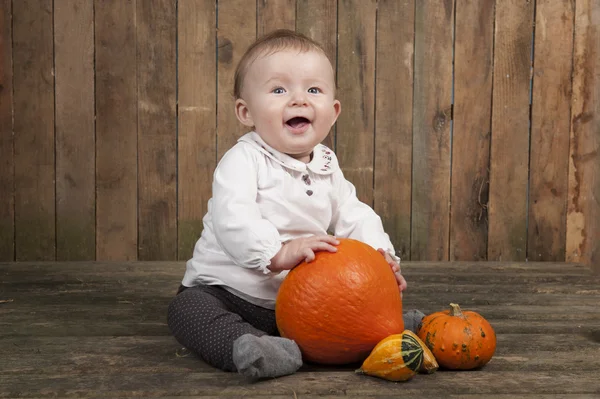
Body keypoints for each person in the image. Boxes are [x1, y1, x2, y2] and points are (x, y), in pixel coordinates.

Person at [167, 29, 424, 380]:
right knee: (187, 309)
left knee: (341, 309)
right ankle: (249, 345)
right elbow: (233, 216)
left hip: (300, 304)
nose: (299, 100)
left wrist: (381, 258)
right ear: (246, 111)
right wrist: (277, 253)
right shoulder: (243, 160)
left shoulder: (326, 164)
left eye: (313, 90)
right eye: (278, 90)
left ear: (333, 112)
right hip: (227, 290)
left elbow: (353, 212)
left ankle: (384, 327)